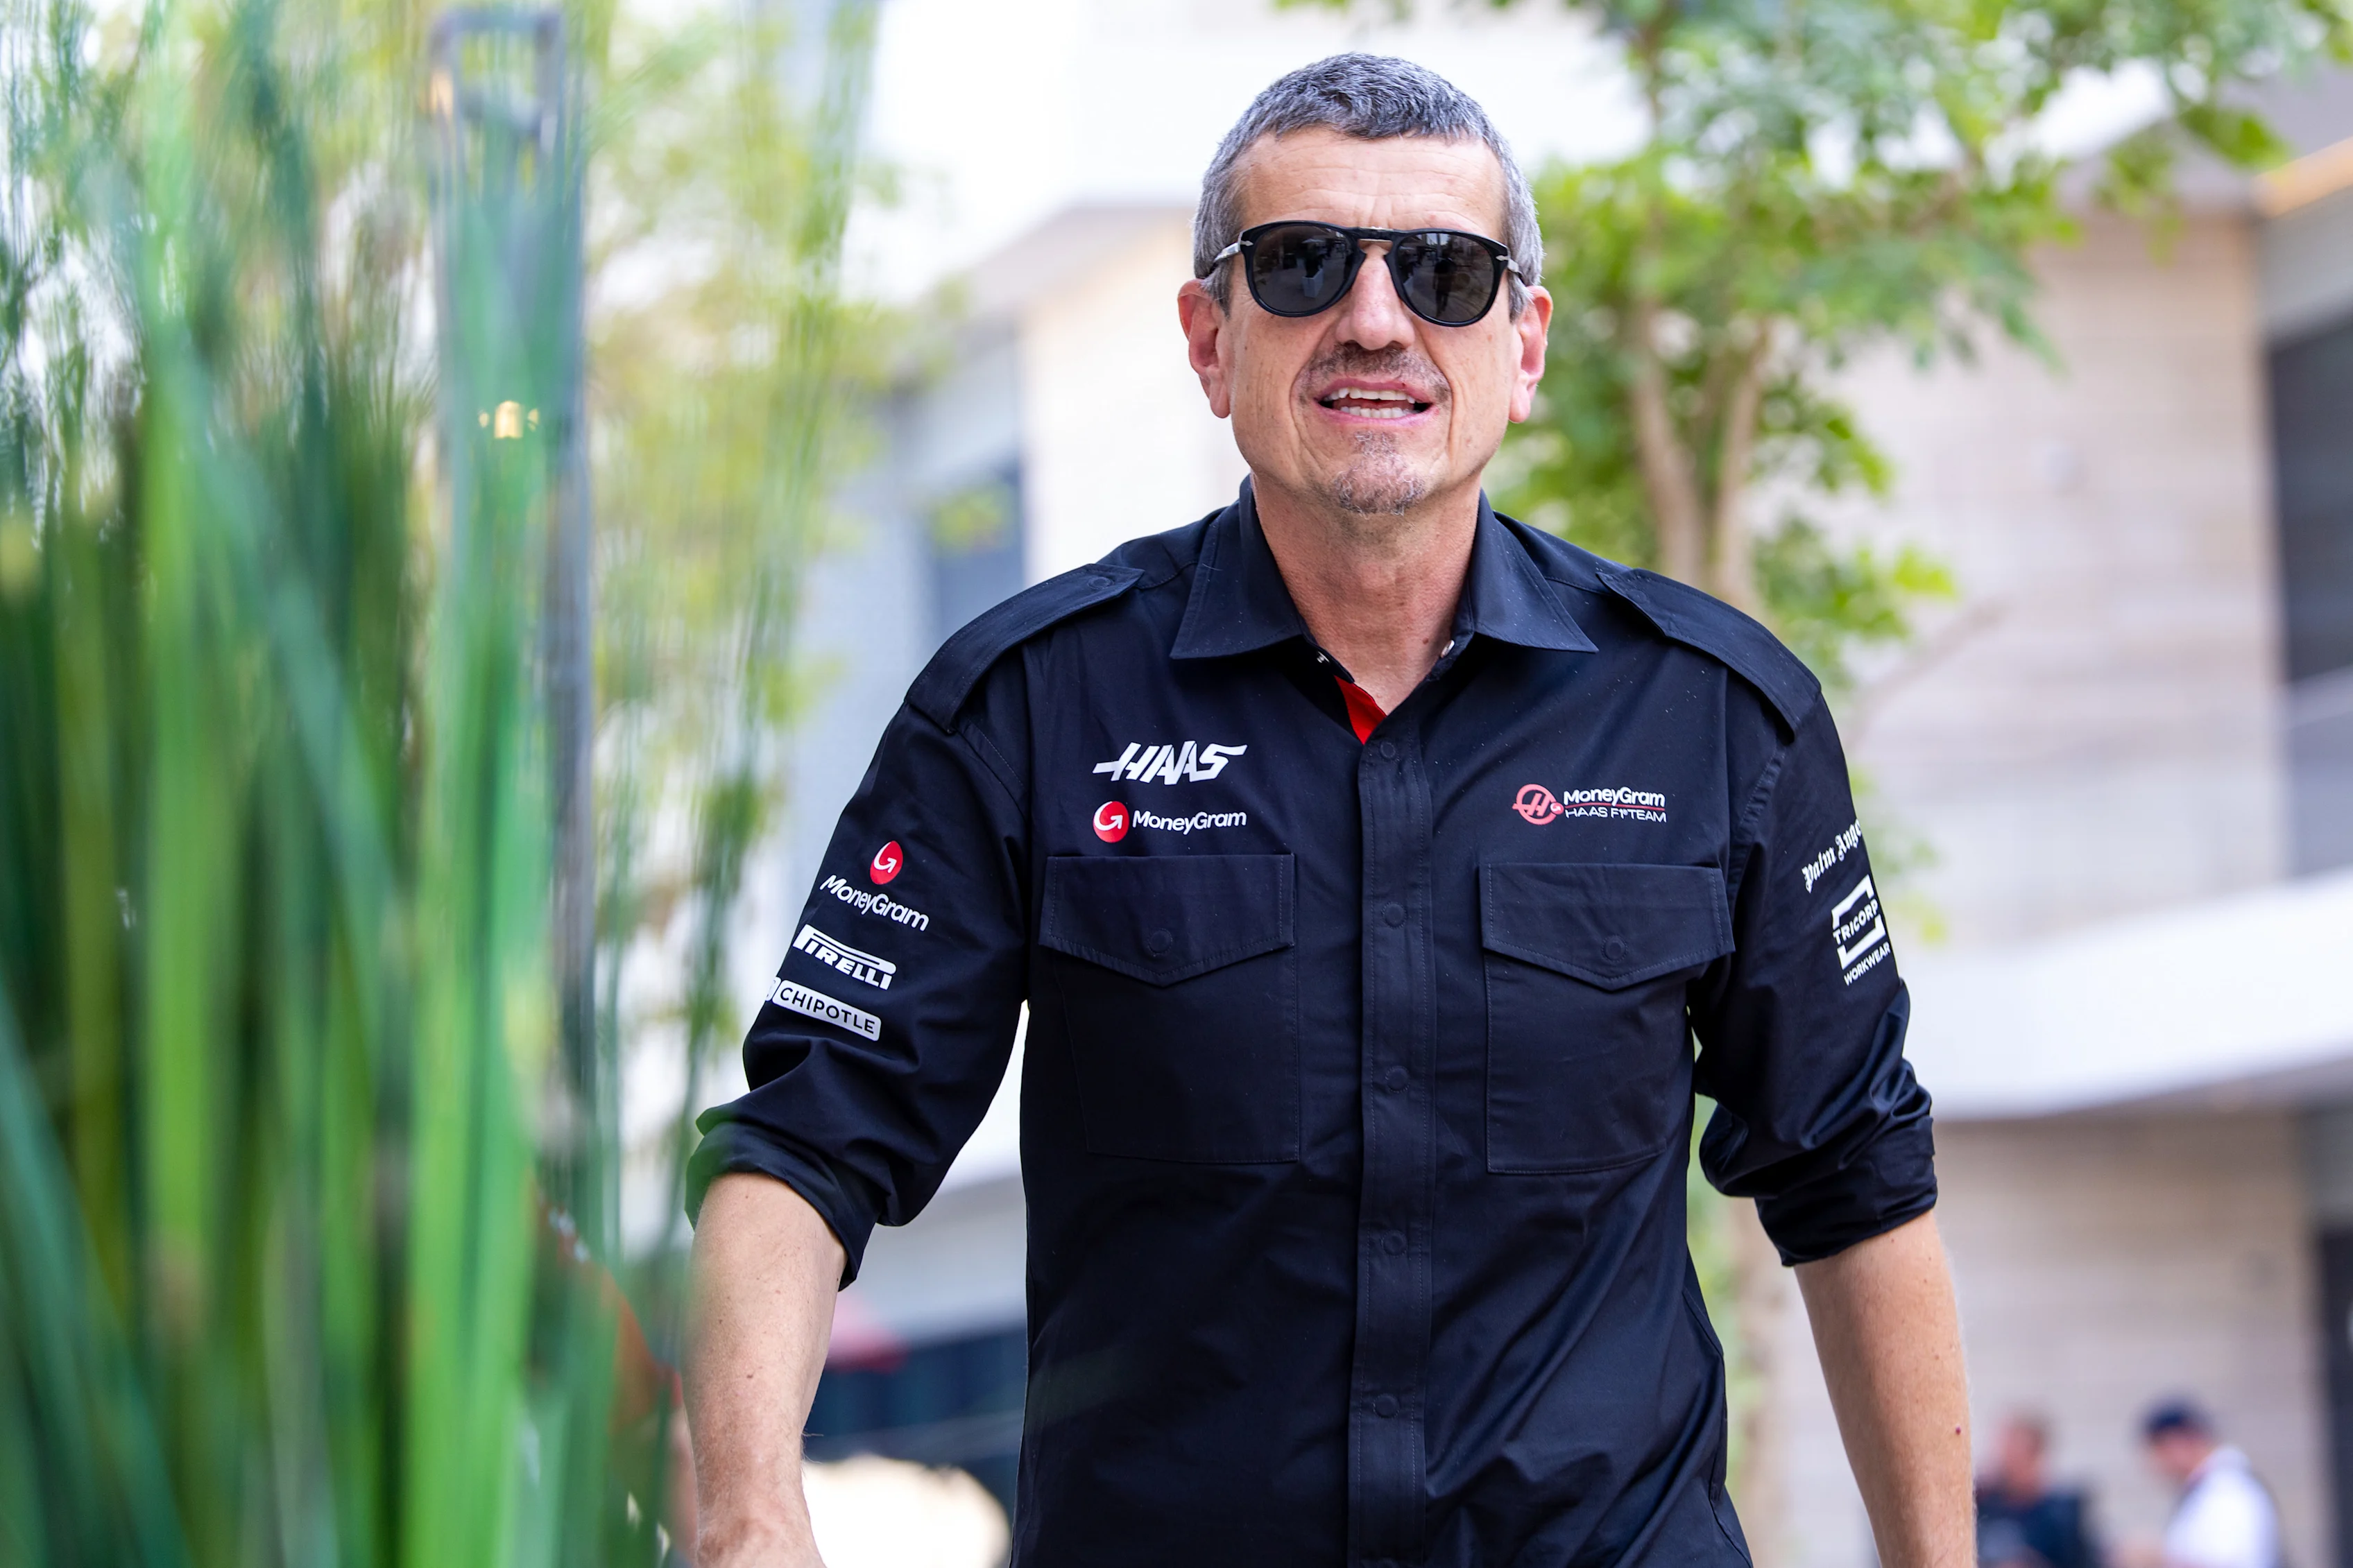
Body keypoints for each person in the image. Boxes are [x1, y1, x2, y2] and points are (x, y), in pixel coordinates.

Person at [682, 53, 1969, 1568]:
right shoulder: (1023, 708)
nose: (1376, 317)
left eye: (1444, 269)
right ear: (1207, 337)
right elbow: (804, 1142)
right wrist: (747, 1511)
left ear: (1524, 341)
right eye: (1301, 265)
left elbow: (1858, 1183)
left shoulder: (1716, 713)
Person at [2132, 1400, 2282, 1568]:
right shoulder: (2206, 1488)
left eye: (2157, 1451)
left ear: (2180, 1442)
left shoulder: (2228, 1491)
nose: (2153, 1465)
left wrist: (2158, 1560)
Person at [1975, 1412, 2097, 1568]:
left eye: (2014, 1453)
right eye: (2002, 1450)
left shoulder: (2061, 1517)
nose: (2004, 1461)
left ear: (2036, 1456)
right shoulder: (1984, 1504)